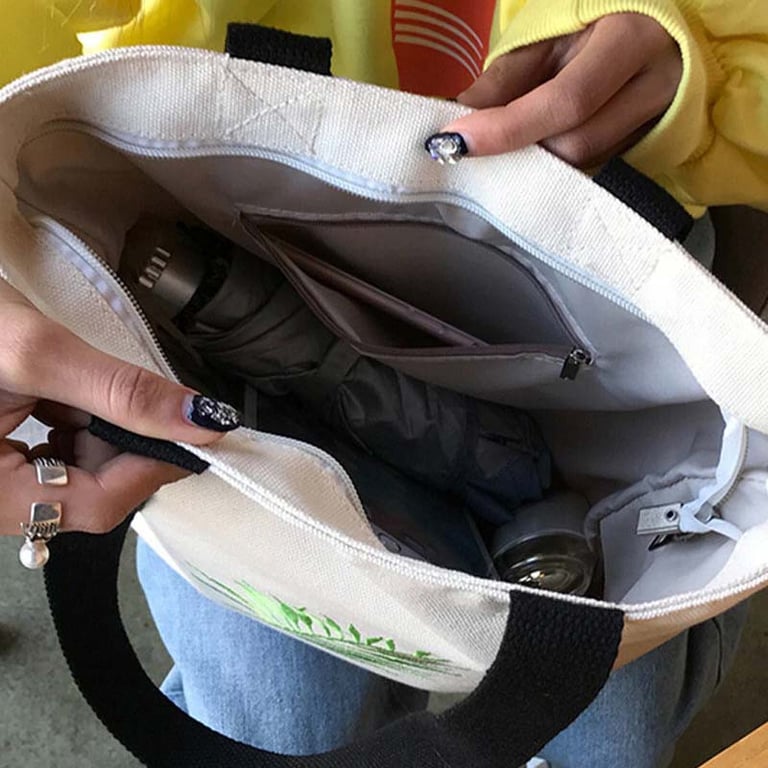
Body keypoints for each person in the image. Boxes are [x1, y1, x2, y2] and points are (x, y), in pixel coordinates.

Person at [1, 2, 766, 766]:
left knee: (610, 741)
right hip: (199, 193)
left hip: (608, 181)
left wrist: (697, 41)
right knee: (277, 729)